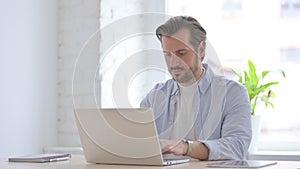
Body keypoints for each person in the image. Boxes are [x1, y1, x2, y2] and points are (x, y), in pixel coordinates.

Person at [140, 16, 252, 160]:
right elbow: (139, 145)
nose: (173, 62)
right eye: (167, 54)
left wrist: (186, 147)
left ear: (201, 49)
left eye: (182, 53)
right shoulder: (155, 97)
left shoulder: (232, 93)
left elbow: (237, 147)